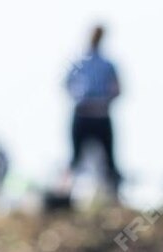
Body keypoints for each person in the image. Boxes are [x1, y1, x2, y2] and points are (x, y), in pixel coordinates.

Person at [65, 25, 122, 198]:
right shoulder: (78, 63)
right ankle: (65, 197)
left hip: (101, 116)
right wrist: (81, 98)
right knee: (75, 159)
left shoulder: (108, 65)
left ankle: (114, 197)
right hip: (82, 115)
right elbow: (66, 85)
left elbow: (117, 88)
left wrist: (103, 102)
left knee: (109, 161)